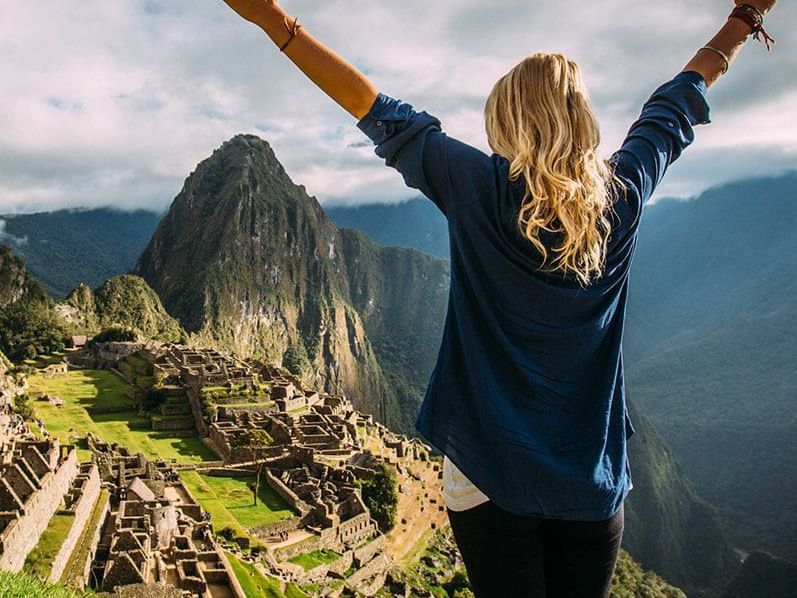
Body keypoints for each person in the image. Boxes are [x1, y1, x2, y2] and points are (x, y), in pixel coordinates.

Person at [220, 1, 778, 596]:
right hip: (590, 479)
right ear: (580, 119)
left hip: (486, 471)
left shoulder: (475, 185)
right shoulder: (624, 193)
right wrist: (745, 15)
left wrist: (277, 23)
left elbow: (370, 104)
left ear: (507, 122)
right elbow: (683, 93)